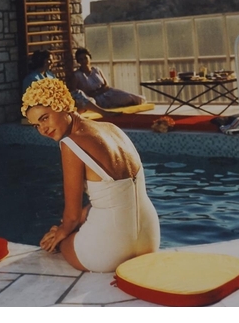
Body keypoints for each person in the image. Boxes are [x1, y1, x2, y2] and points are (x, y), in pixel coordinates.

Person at [22, 78, 160, 272]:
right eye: (36, 125)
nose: (42, 130)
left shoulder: (70, 143)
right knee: (78, 222)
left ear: (62, 104)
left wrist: (61, 232)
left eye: (45, 118)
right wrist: (74, 222)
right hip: (150, 238)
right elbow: (115, 193)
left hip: (111, 251)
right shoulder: (113, 129)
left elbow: (71, 216)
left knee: (63, 241)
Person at [22, 49, 122, 118]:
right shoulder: (32, 78)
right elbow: (34, 99)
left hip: (56, 101)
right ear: (44, 61)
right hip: (43, 105)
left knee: (82, 100)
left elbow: (59, 89)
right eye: (50, 59)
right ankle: (103, 113)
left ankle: (76, 116)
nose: (52, 61)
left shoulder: (50, 75)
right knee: (78, 96)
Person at [71, 47, 146, 110]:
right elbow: (74, 92)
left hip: (107, 93)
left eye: (85, 58)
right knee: (95, 103)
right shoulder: (77, 75)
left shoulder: (97, 70)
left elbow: (106, 85)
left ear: (89, 58)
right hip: (92, 98)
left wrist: (99, 92)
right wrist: (91, 95)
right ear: (78, 61)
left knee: (131, 97)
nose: (84, 61)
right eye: (81, 59)